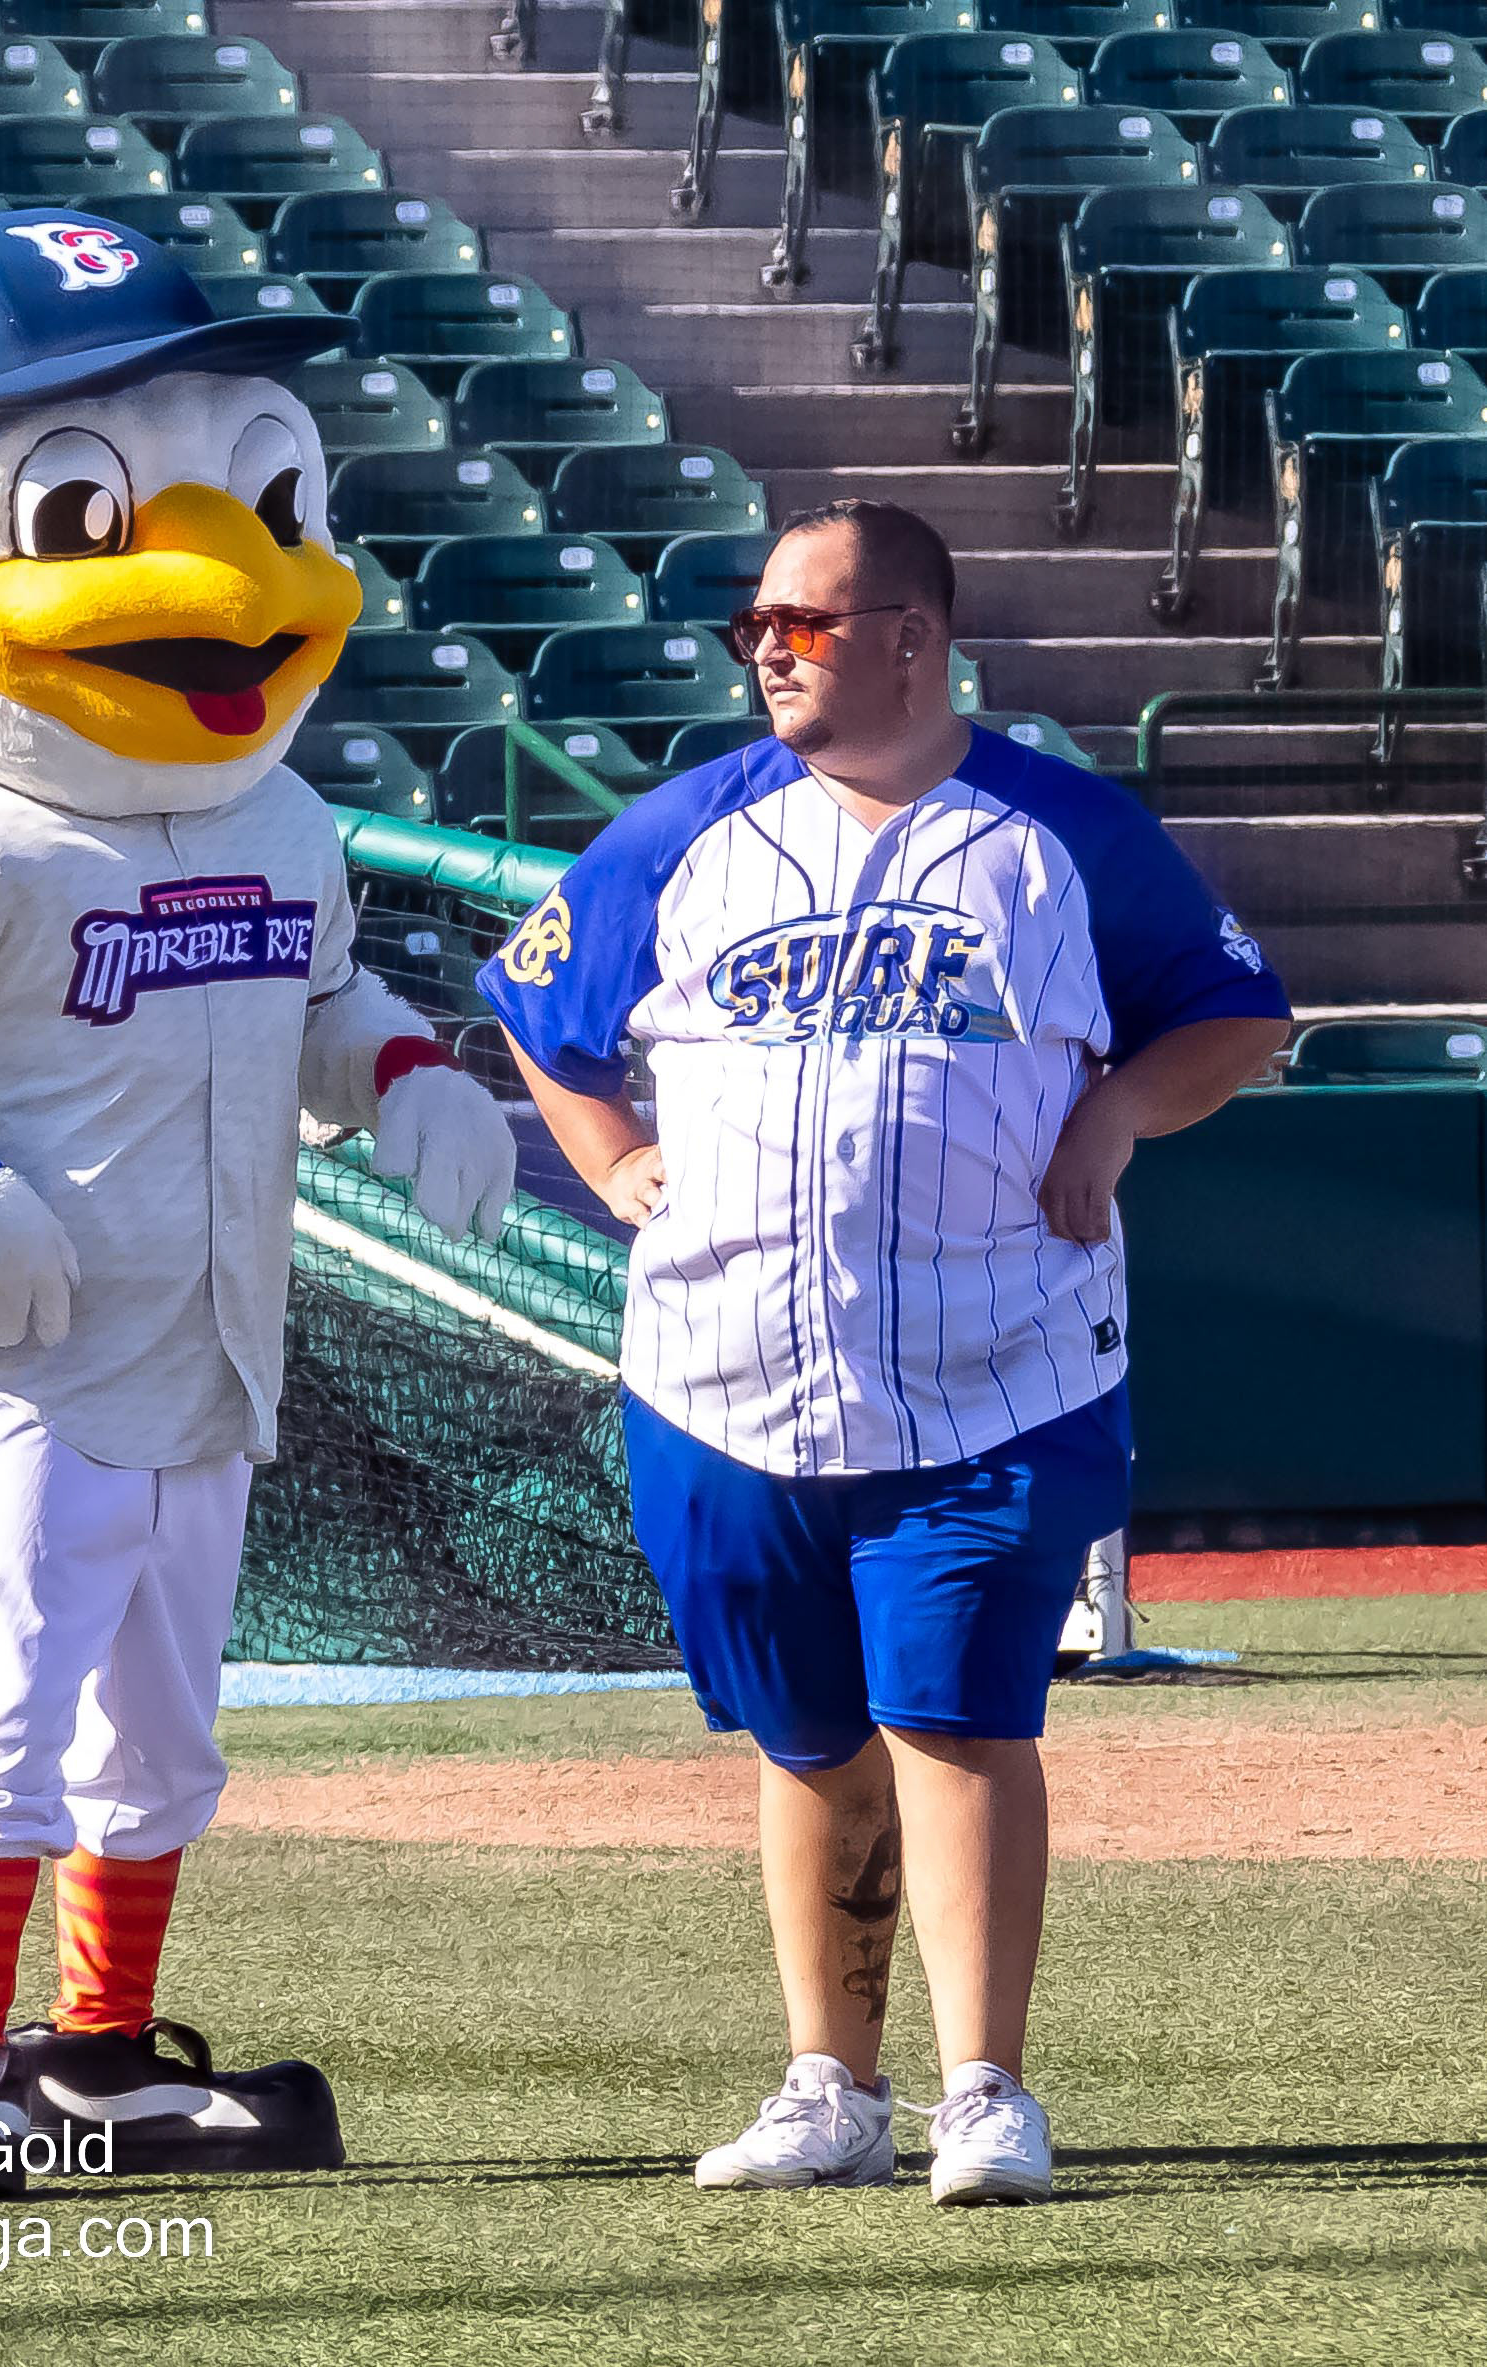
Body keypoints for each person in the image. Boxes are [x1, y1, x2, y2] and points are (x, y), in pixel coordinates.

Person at [477, 498, 1288, 2204]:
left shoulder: (1060, 830)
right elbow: (540, 1009)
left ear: (912, 636)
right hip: (717, 1372)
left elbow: (1235, 1011)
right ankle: (827, 2088)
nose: (763, 646)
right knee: (804, 1737)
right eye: (751, 624)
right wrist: (613, 1157)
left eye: (802, 620)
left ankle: (984, 2088)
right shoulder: (681, 833)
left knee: (957, 1715)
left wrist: (1123, 1105)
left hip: (1000, 1360)